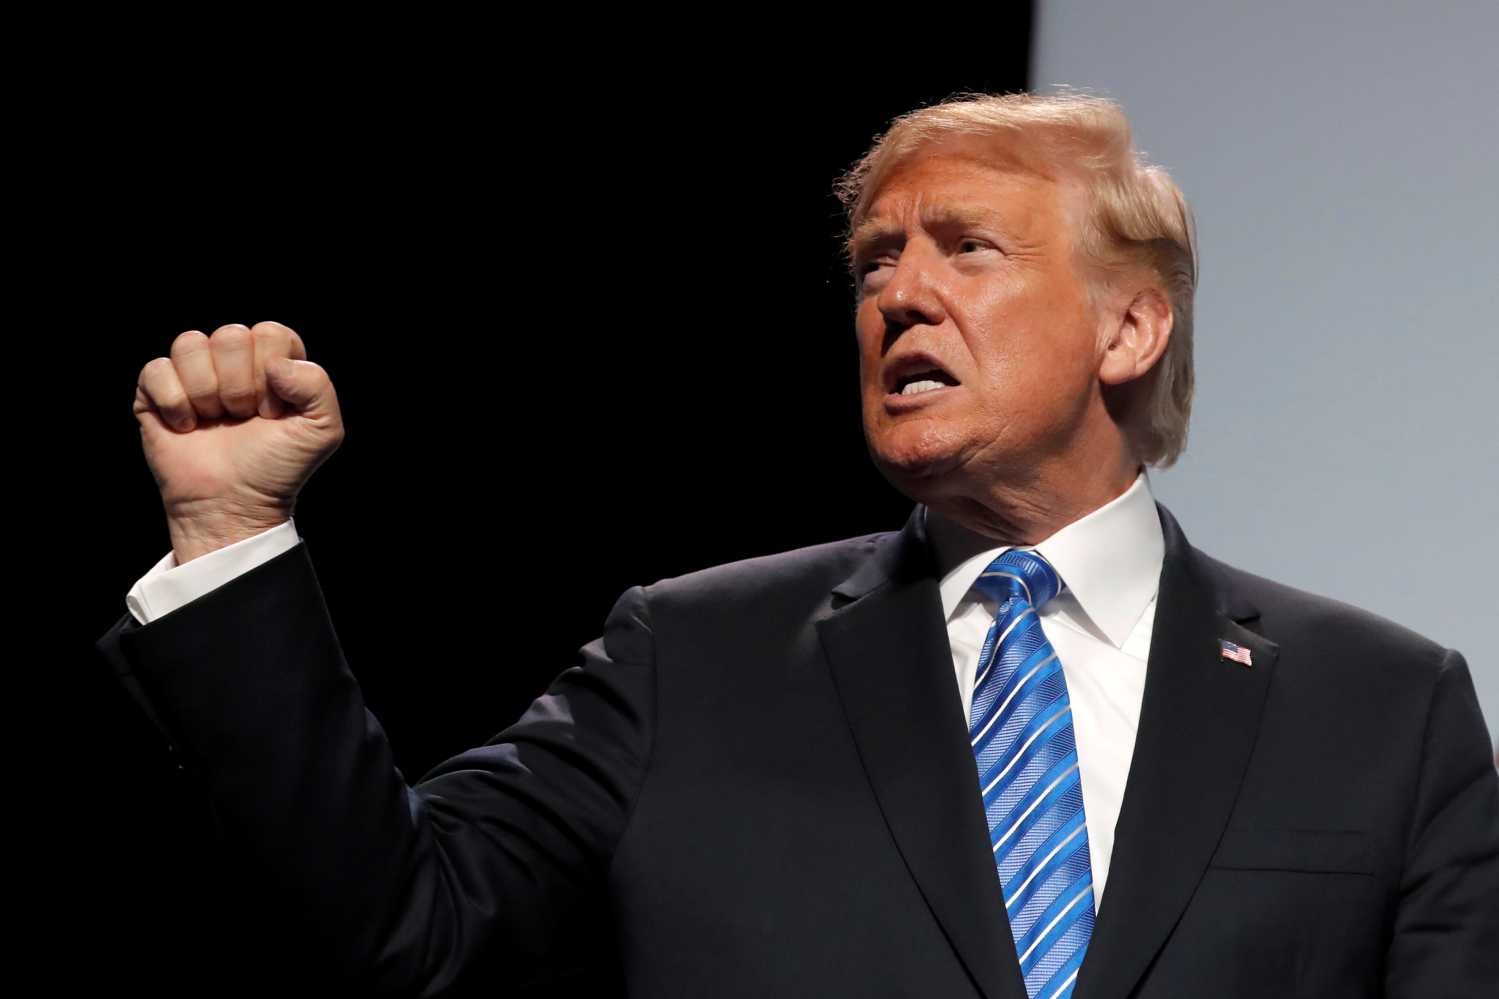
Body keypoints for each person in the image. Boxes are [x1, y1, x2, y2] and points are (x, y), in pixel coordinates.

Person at [95, 92, 1498, 997]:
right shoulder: (690, 657)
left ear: (1128, 329)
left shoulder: (1385, 708)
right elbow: (400, 921)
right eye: (876, 262)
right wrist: (233, 535)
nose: (900, 296)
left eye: (967, 249)